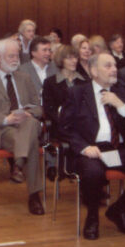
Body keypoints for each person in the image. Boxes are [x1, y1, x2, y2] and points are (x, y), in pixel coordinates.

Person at [60, 53, 125, 240]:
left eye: (114, 65)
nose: (114, 69)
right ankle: (92, 217)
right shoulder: (78, 92)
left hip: (114, 150)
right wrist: (83, 147)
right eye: (108, 66)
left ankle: (118, 209)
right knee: (93, 173)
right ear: (94, 71)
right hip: (91, 150)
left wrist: (121, 106)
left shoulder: (121, 92)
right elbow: (64, 128)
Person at [0, 38, 45, 216]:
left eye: (17, 55)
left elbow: (38, 107)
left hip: (26, 124)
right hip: (2, 130)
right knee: (32, 144)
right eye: (11, 56)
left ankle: (19, 164)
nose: (15, 59)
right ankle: (33, 194)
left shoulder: (25, 78)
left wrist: (28, 113)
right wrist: (6, 119)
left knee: (32, 122)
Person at [42, 45, 88, 180]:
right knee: (75, 138)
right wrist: (64, 121)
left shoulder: (85, 81)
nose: (74, 61)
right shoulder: (50, 82)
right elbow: (49, 109)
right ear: (61, 60)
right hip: (61, 124)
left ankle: (85, 176)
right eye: (69, 58)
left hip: (82, 125)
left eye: (75, 57)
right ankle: (71, 171)